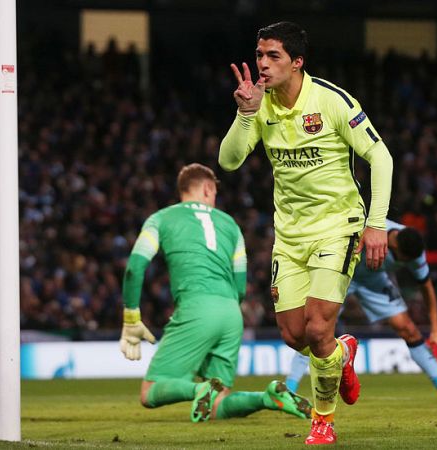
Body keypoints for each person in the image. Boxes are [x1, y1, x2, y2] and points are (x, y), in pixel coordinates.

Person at [219, 21, 393, 445]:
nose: (262, 64)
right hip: (290, 236)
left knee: (317, 329)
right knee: (295, 335)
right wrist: (245, 114)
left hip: (338, 227)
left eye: (272, 56)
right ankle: (343, 352)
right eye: (259, 55)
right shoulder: (258, 104)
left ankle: (322, 420)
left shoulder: (332, 101)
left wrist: (376, 223)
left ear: (297, 62)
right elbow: (229, 161)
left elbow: (380, 156)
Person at [119, 163, 312, 423]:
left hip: (197, 308)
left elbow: (134, 268)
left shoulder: (161, 218)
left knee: (150, 391)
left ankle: (198, 388)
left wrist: (131, 317)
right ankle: (268, 398)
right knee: (216, 404)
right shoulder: (231, 225)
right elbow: (241, 286)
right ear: (208, 189)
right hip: (231, 313)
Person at [285, 221, 437, 404]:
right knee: (316, 330)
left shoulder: (414, 250)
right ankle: (289, 391)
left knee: (408, 329)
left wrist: (436, 329)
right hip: (342, 271)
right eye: (402, 259)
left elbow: (426, 288)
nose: (404, 263)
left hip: (372, 280)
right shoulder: (368, 227)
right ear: (393, 244)